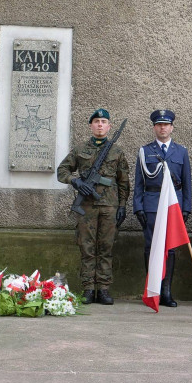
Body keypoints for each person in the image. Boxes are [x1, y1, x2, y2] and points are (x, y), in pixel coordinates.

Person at [57, 108, 131, 305]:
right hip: (87, 208)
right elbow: (62, 170)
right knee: (87, 247)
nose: (100, 124)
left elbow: (123, 182)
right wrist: (76, 182)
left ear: (109, 126)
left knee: (106, 247)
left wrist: (122, 205)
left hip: (110, 207)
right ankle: (89, 288)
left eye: (103, 121)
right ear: (91, 125)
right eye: (96, 121)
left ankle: (104, 289)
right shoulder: (80, 149)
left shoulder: (117, 152)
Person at [133, 109, 192, 308]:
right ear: (154, 127)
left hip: (173, 205)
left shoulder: (181, 151)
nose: (163, 127)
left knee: (171, 248)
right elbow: (139, 182)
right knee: (151, 247)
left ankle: (166, 291)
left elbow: (186, 182)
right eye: (159, 124)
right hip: (151, 203)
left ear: (172, 127)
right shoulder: (145, 151)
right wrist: (138, 207)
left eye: (166, 124)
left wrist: (187, 207)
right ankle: (152, 289)